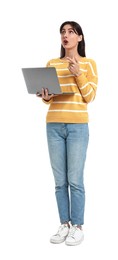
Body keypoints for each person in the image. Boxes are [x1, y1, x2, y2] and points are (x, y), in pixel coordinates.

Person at [37, 21, 98, 246]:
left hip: (77, 126)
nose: (66, 35)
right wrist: (44, 95)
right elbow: (48, 99)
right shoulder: (52, 63)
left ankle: (78, 226)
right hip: (53, 125)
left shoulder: (89, 64)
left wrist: (78, 74)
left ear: (79, 38)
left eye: (71, 32)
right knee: (59, 181)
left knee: (75, 180)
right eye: (63, 32)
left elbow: (90, 96)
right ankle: (64, 224)